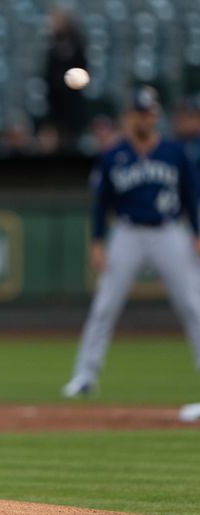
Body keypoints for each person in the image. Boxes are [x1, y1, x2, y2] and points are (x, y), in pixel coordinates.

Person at [63, 87, 200, 397]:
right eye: (139, 112)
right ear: (130, 116)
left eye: (149, 113)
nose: (144, 118)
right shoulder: (114, 156)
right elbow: (102, 204)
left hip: (169, 231)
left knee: (194, 305)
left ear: (156, 116)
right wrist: (97, 241)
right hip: (127, 233)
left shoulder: (175, 153)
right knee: (105, 305)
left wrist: (197, 232)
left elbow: (192, 197)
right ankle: (85, 376)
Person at [42, 7, 87, 153]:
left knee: (72, 138)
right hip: (56, 100)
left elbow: (84, 66)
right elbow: (47, 72)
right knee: (56, 136)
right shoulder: (52, 43)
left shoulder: (76, 42)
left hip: (72, 101)